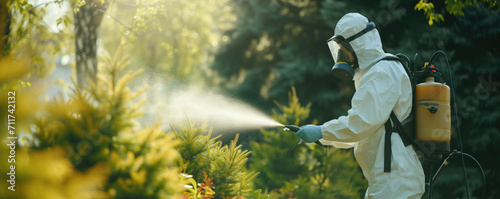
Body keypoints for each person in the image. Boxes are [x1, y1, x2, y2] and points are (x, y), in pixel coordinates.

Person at [294, 13, 425, 198]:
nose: (341, 55)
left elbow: (360, 123)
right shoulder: (377, 70)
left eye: (342, 48)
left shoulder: (381, 72)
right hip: (389, 178)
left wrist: (321, 131)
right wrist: (321, 137)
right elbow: (359, 134)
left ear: (356, 45)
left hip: (394, 178)